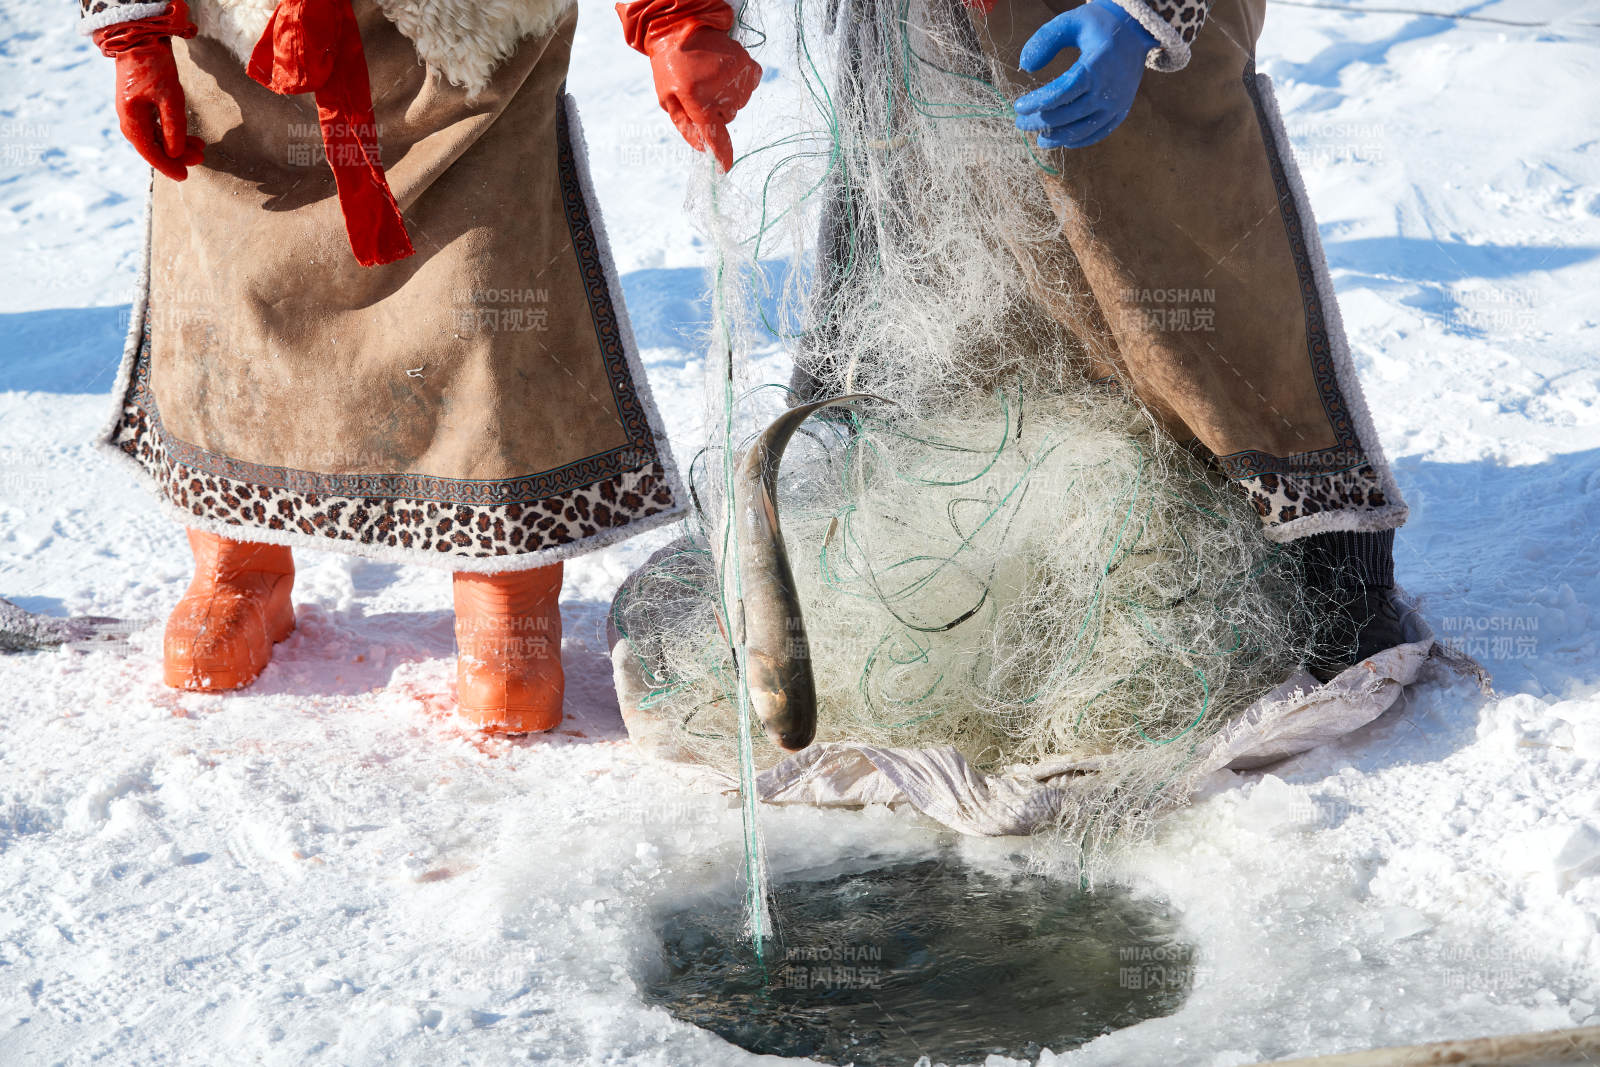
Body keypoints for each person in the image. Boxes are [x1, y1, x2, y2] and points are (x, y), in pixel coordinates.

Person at [617, 0, 1411, 675]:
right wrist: (677, 19)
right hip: (917, 34)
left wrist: (1145, 15)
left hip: (1107, 28)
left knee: (1180, 291)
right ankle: (967, 546)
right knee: (945, 308)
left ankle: (1315, 553)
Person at [82, 0, 685, 731]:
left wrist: (679, 18)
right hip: (237, 42)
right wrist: (133, 33)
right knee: (237, 301)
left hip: (469, 48)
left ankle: (505, 595)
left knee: (483, 302)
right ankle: (240, 564)